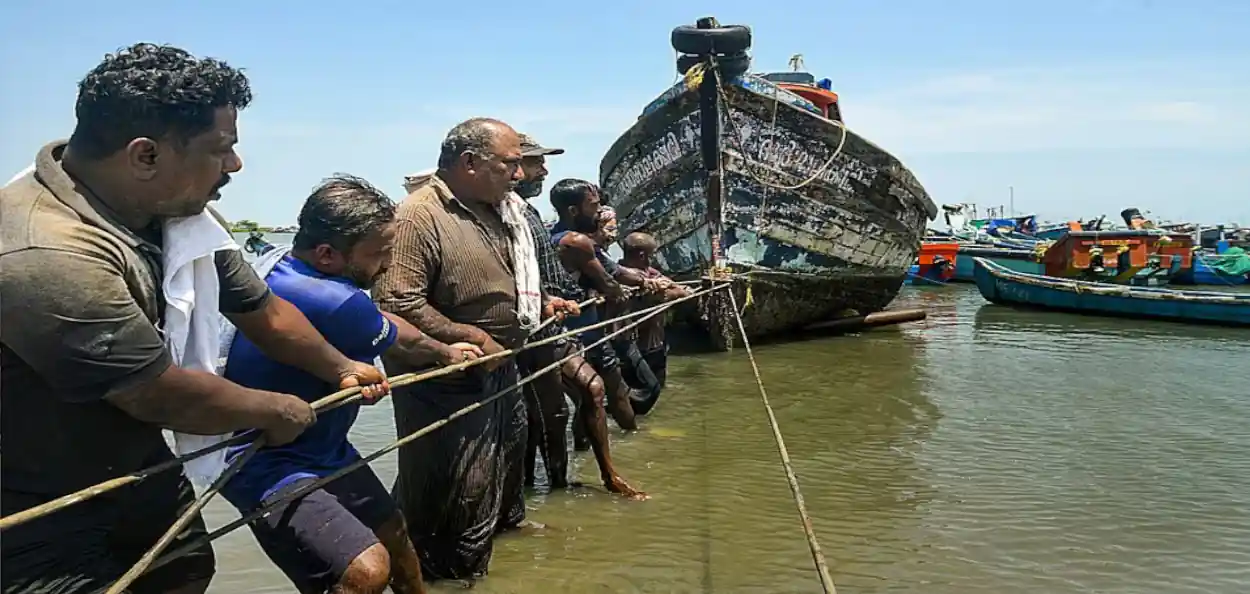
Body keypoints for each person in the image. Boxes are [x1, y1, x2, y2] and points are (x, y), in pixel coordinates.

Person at [0, 43, 388, 594]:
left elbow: (264, 311)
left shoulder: (180, 215)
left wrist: (342, 366)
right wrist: (274, 409)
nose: (235, 164)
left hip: (136, 466)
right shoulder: (47, 253)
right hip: (35, 500)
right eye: (221, 148)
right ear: (145, 156)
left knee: (185, 570)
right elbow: (155, 393)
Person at [219, 175, 484, 594]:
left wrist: (444, 349)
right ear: (327, 254)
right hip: (264, 461)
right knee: (365, 573)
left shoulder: (284, 267)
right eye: (379, 253)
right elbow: (401, 342)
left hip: (323, 447)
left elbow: (380, 321)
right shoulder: (332, 301)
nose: (387, 262)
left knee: (395, 537)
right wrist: (447, 351)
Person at [373, 118, 577, 580]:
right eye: (509, 164)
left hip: (501, 367)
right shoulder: (418, 216)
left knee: (507, 464)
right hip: (447, 380)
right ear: (469, 163)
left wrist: (541, 301)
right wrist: (470, 337)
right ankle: (449, 574)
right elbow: (395, 302)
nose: (520, 174)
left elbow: (502, 278)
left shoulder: (494, 208)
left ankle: (507, 547)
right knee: (458, 485)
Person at [512, 135, 643, 499]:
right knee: (550, 413)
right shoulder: (510, 213)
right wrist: (547, 302)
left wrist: (553, 298)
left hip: (553, 323)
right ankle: (551, 486)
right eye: (536, 162)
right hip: (532, 328)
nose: (544, 169)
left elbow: (539, 270)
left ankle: (581, 481)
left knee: (575, 399)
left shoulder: (528, 213)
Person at [549, 179, 665, 432]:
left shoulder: (554, 237)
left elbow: (615, 271)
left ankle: (584, 451)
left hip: (566, 334)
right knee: (614, 391)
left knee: (584, 399)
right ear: (573, 211)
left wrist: (642, 281)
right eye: (593, 206)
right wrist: (638, 286)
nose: (598, 211)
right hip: (585, 334)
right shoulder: (576, 241)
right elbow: (611, 280)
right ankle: (633, 440)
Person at [616, 231, 692, 415]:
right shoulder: (624, 276)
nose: (653, 259)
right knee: (639, 396)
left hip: (656, 346)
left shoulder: (650, 273)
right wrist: (672, 292)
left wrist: (673, 291)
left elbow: (677, 289)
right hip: (635, 349)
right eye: (651, 255)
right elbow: (663, 295)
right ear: (642, 255)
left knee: (657, 394)